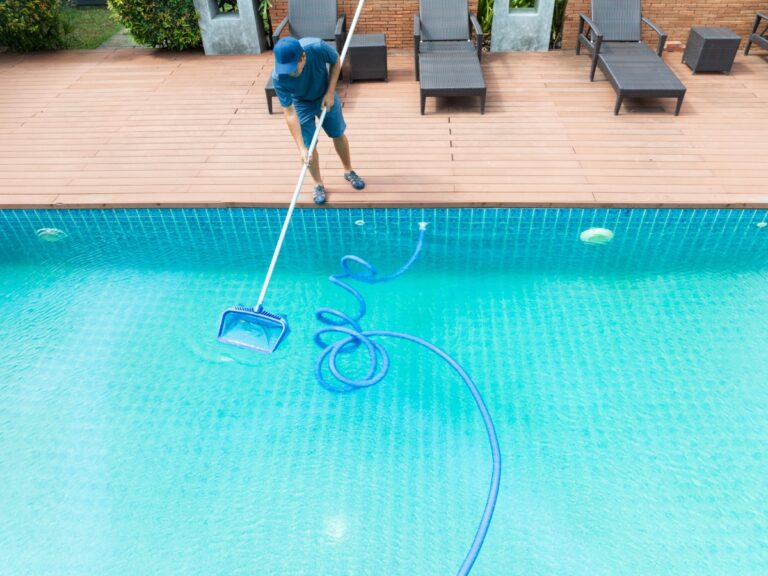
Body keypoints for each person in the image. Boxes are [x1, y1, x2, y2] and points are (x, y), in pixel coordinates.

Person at [271, 37, 365, 205]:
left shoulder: (317, 48)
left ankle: (348, 170)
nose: (289, 73)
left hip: (324, 94)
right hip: (300, 104)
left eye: (292, 69)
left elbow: (336, 61)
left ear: (303, 57)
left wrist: (330, 92)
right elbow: (289, 112)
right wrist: (301, 148)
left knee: (338, 134)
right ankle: (318, 184)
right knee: (308, 147)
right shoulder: (279, 77)